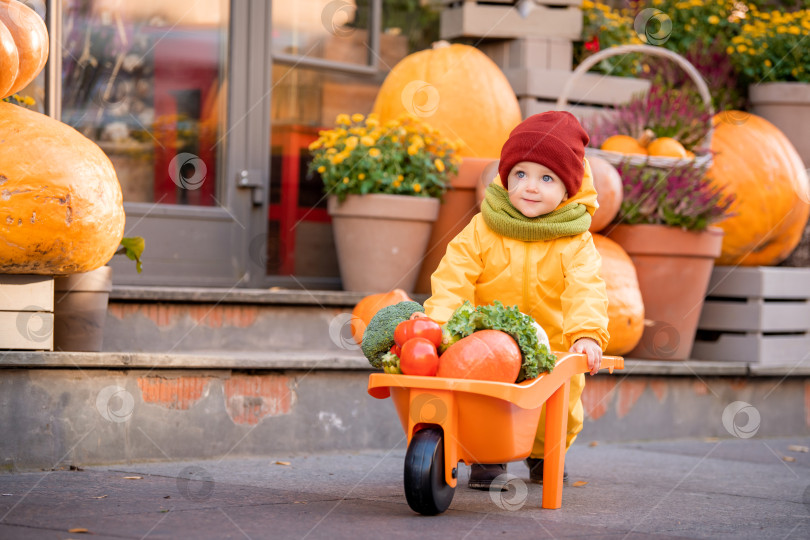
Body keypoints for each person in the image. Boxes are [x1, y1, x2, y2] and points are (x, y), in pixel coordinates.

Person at [423, 111, 609, 490]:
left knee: (558, 402)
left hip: (553, 342)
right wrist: (442, 324)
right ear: (506, 176)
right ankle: (486, 457)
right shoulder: (484, 227)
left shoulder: (574, 241)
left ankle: (545, 454)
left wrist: (587, 333)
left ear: (568, 188)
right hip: (490, 341)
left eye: (546, 178)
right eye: (520, 174)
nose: (530, 187)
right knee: (486, 395)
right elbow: (453, 275)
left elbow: (586, 286)